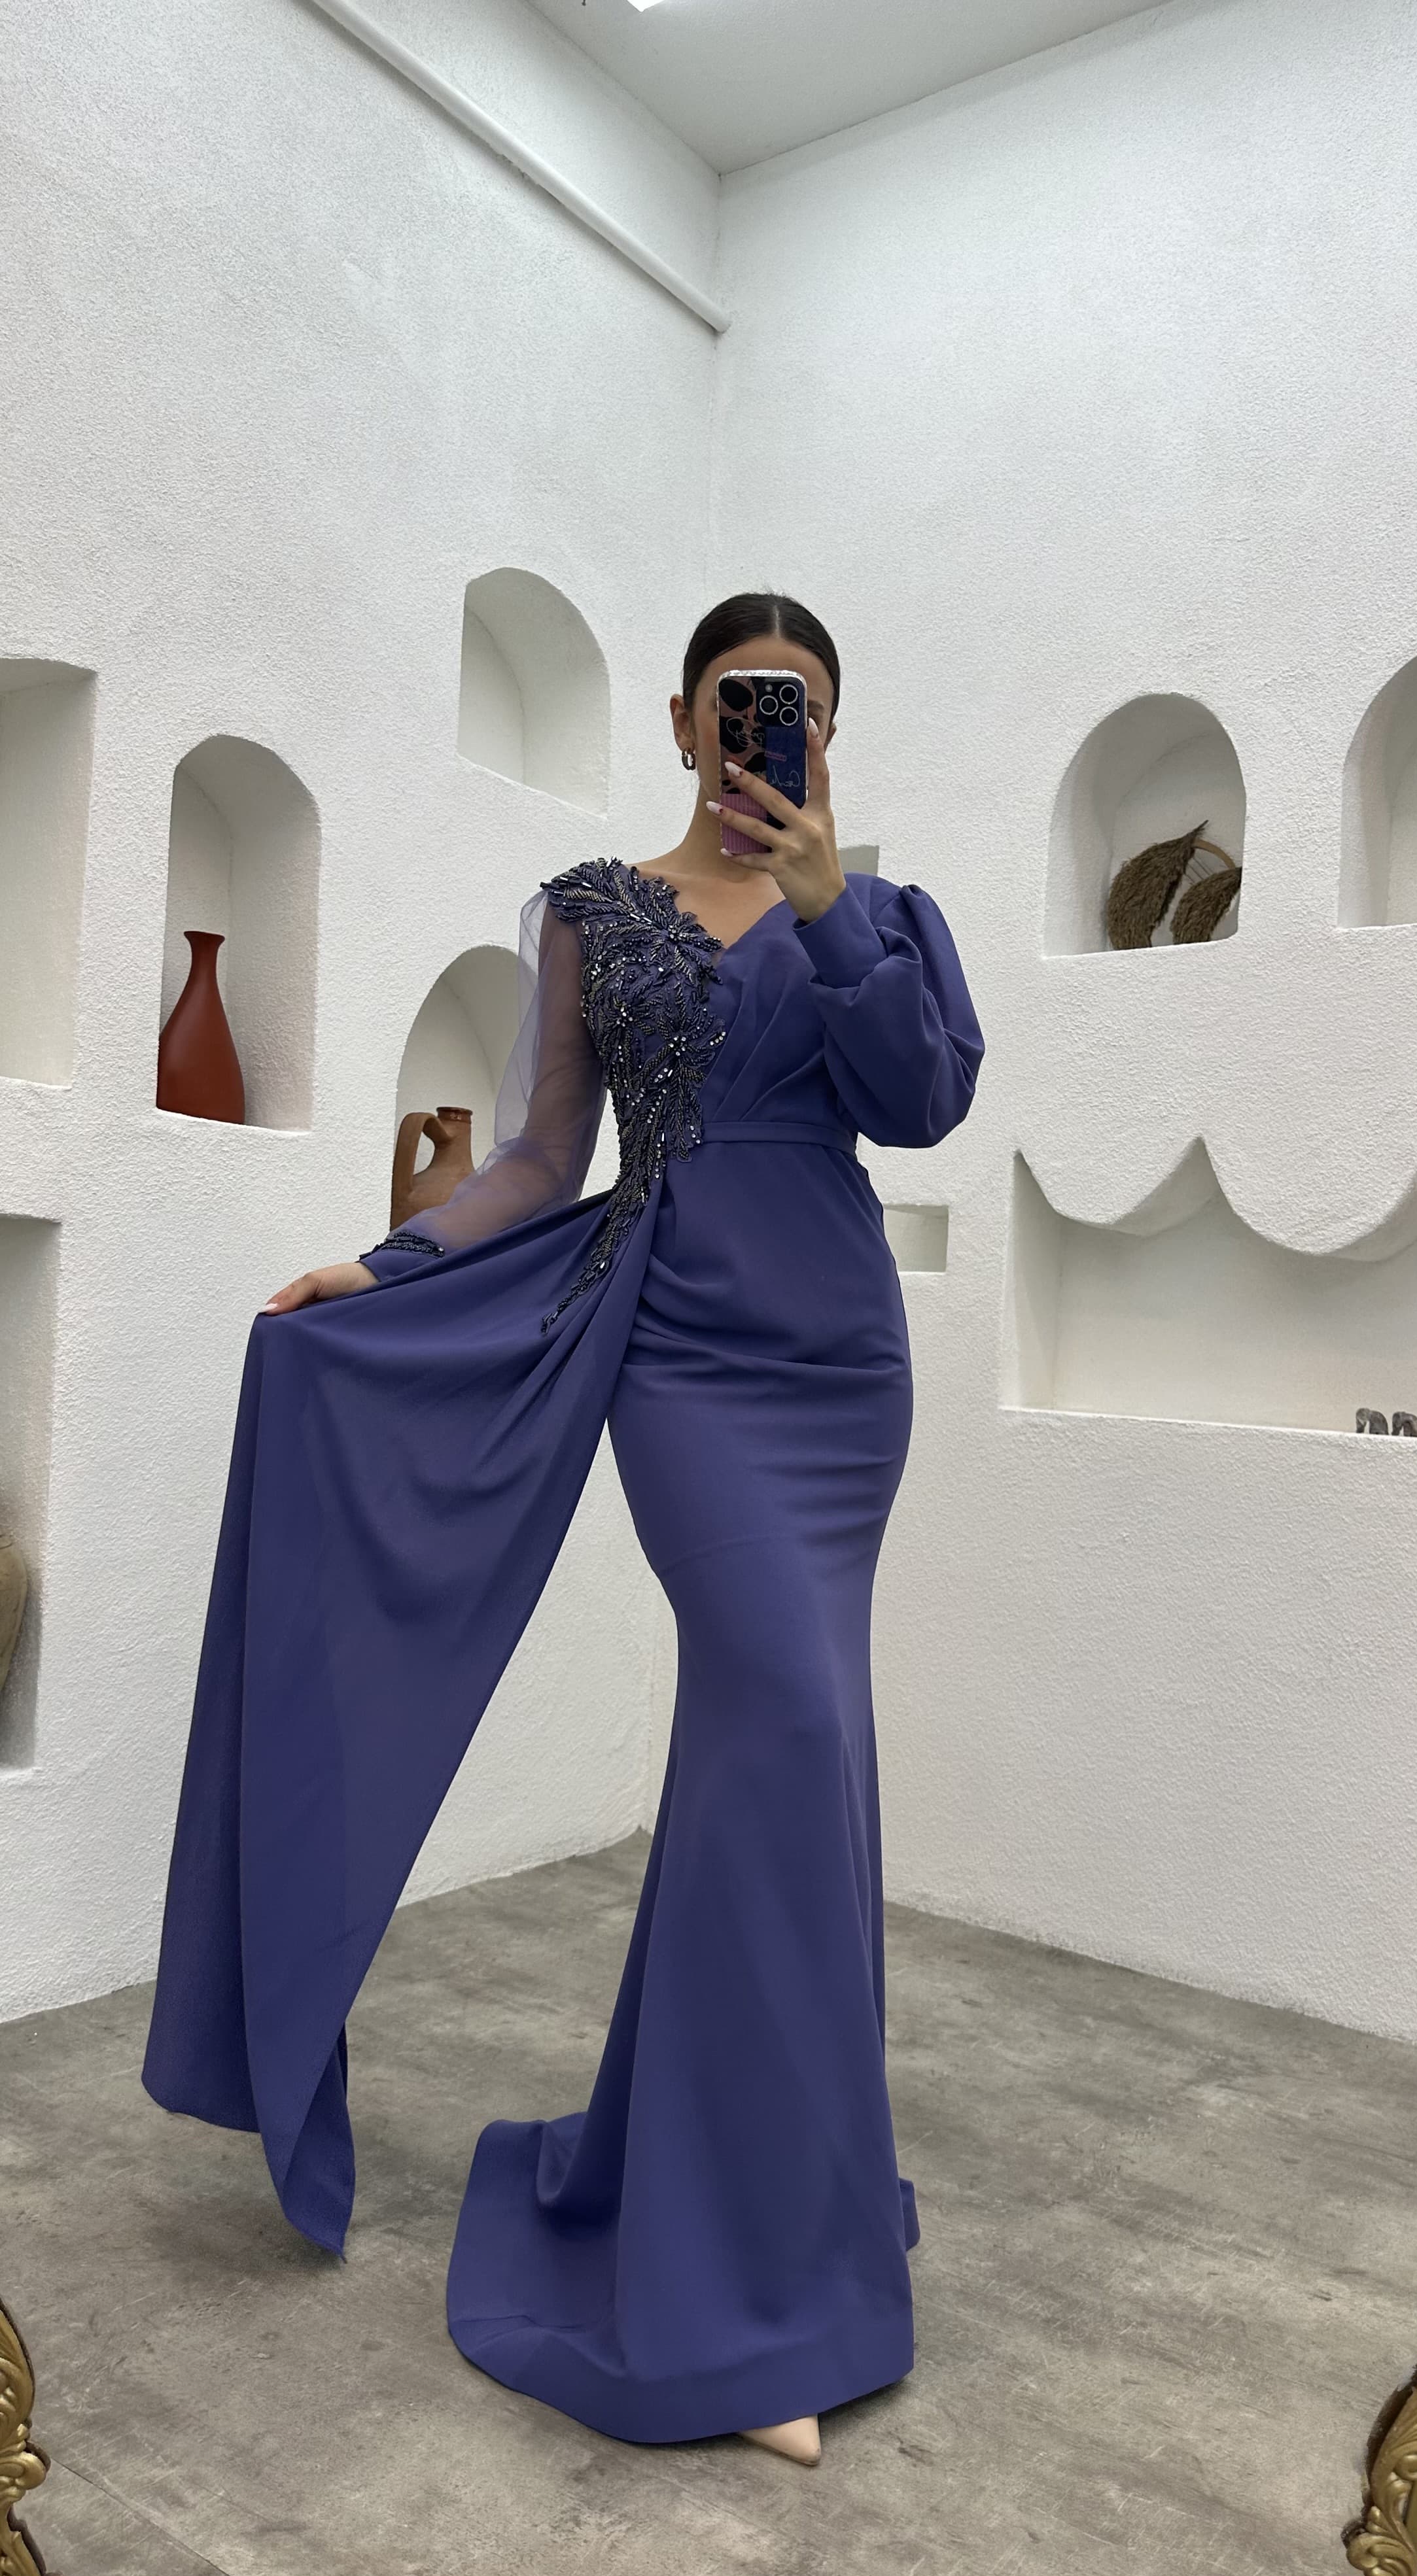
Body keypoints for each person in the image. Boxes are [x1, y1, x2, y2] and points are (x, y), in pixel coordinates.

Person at [141, 591, 984, 2468]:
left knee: (792, 1754)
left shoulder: (886, 914)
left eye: (801, 709)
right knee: (785, 1726)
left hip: (841, 1362)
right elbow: (543, 1154)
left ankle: (761, 2218)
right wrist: (385, 1260)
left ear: (823, 733)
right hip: (680, 1352)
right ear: (684, 720)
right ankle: (746, 2279)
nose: (768, 733)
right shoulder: (594, 910)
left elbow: (920, 1105)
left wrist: (829, 900)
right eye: (744, 704)